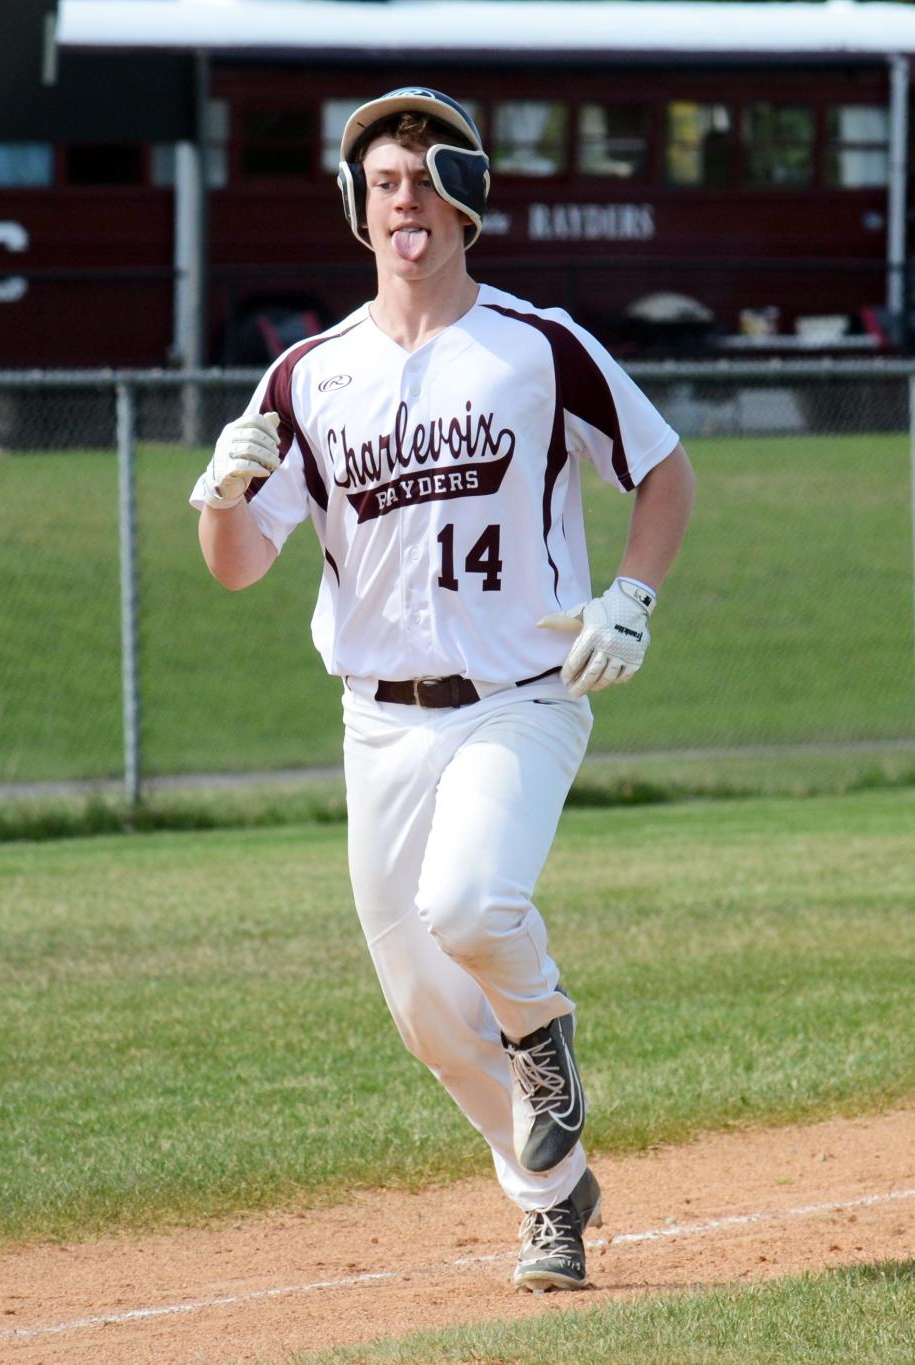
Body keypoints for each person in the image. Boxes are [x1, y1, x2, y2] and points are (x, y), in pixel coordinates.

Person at [191, 88, 695, 1293]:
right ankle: (553, 1200)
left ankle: (542, 1029)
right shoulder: (308, 378)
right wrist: (217, 495)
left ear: (468, 196)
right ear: (357, 213)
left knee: (472, 905)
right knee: (423, 1014)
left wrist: (630, 596)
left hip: (522, 694)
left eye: (426, 175)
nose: (404, 198)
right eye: (382, 182)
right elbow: (240, 567)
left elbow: (663, 471)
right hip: (382, 721)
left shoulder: (538, 341)